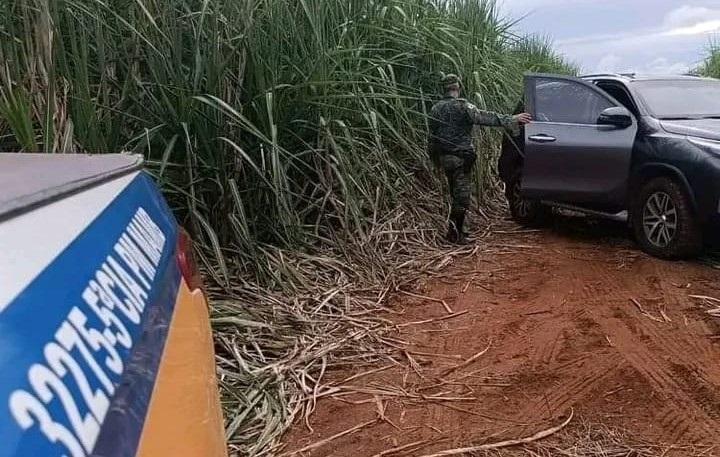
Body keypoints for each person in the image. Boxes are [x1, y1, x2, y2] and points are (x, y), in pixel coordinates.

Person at [428, 74, 532, 243]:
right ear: (458, 87)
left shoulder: (435, 108)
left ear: (444, 89)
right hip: (461, 159)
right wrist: (513, 119)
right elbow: (486, 118)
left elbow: (431, 137)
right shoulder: (463, 106)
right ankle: (457, 235)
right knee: (462, 198)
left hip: (445, 159)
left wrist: (434, 160)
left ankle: (455, 232)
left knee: (454, 195)